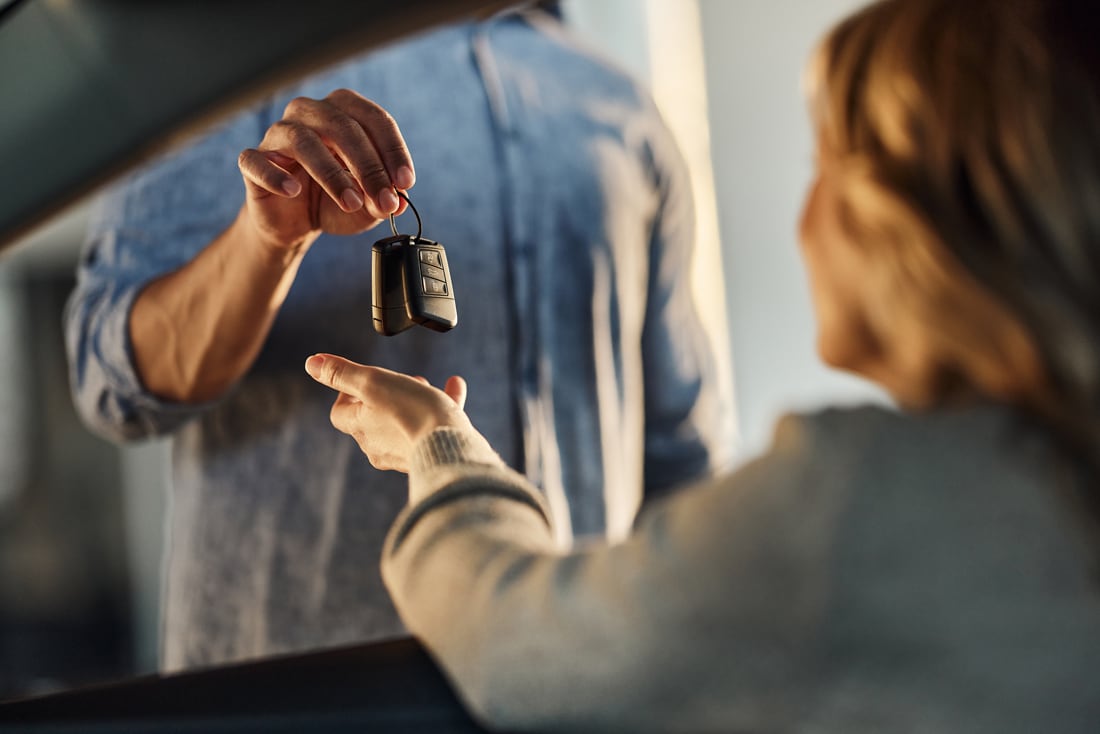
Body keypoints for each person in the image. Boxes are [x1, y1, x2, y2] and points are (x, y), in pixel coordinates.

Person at [306, 0, 1100, 730]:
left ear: (898, 219)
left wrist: (435, 444)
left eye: (820, 163)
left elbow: (513, 642)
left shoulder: (848, 496)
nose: (804, 214)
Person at [63, 4, 735, 671]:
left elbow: (679, 456)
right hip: (309, 691)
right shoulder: (224, 66)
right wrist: (265, 242)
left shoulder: (619, 104)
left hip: (570, 689)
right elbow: (113, 381)